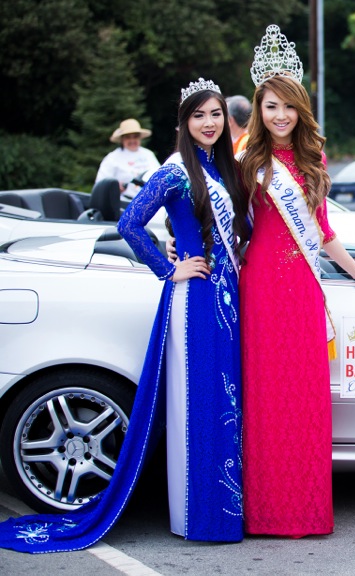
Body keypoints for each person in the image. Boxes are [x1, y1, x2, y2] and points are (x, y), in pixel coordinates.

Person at [0, 79, 251, 551]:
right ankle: (199, 517)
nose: (209, 123)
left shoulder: (227, 170)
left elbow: (244, 231)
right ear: (184, 123)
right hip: (194, 301)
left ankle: (225, 509)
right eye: (199, 116)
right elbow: (130, 223)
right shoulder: (176, 171)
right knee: (199, 407)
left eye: (216, 114)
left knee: (227, 406)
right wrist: (169, 268)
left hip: (228, 301)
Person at [238, 24, 355, 537]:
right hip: (257, 287)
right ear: (258, 110)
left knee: (302, 394)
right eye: (270, 106)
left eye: (289, 106)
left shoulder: (312, 159)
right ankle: (262, 510)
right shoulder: (245, 162)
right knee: (263, 395)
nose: (280, 116)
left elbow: (321, 232)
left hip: (301, 287)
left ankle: (302, 509)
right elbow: (224, 224)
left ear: (301, 110)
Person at [95, 118, 161, 199]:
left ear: (140, 137)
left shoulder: (148, 154)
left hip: (148, 202)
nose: (132, 140)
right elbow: (100, 184)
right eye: (128, 137)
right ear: (122, 139)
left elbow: (159, 176)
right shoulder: (112, 158)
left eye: (135, 137)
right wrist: (114, 186)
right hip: (123, 203)